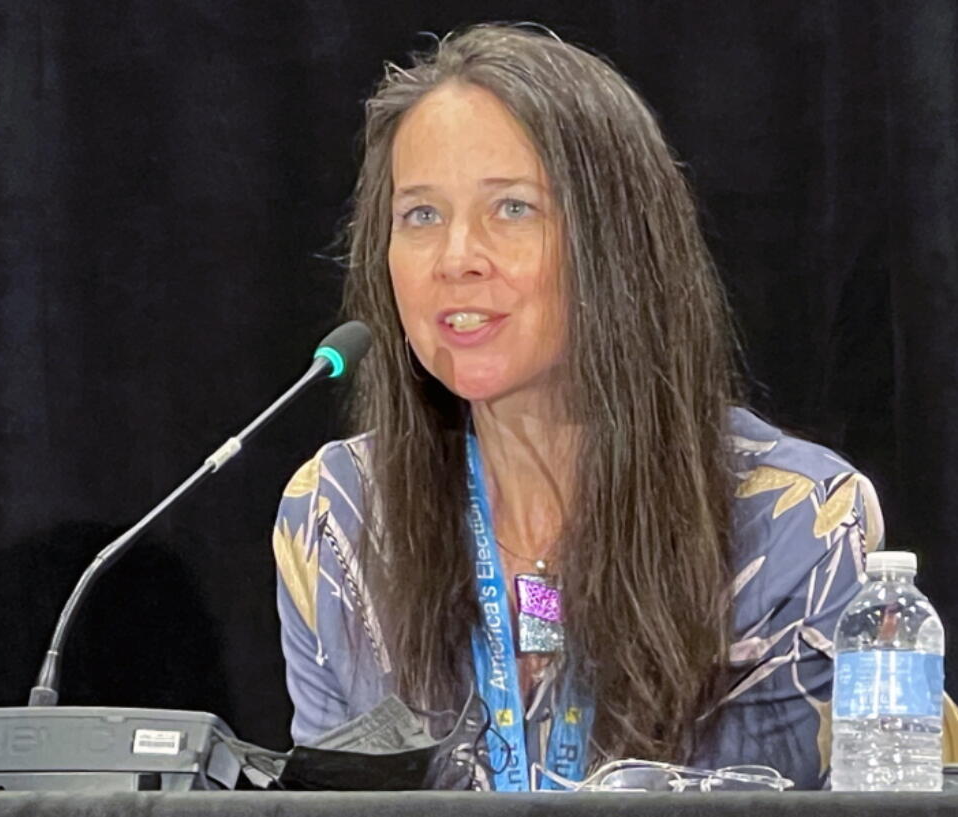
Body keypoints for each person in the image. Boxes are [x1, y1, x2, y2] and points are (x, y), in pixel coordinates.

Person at [271, 23, 882, 791]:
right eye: (421, 215)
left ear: (617, 245)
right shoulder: (340, 518)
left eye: (513, 209)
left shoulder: (800, 524)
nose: (457, 256)